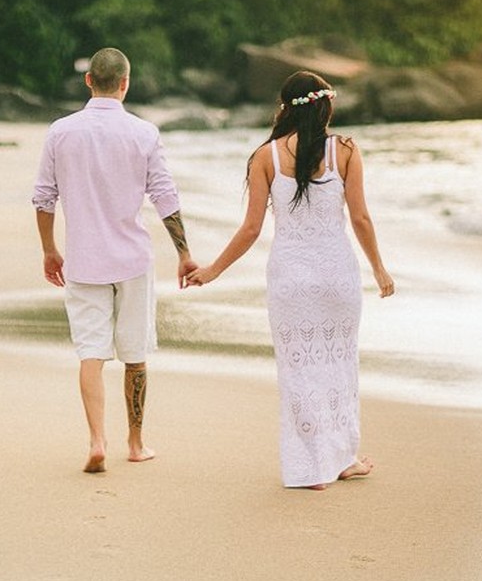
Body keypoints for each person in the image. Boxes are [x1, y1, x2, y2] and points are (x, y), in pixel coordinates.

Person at [186, 70, 394, 490]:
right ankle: (341, 458)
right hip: (338, 275)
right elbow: (360, 218)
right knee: (338, 366)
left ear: (284, 108)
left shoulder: (265, 157)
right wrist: (379, 269)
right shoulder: (347, 151)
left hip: (290, 279)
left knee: (299, 371)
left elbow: (250, 230)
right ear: (325, 105)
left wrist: (211, 271)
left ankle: (312, 468)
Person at [32, 47, 197, 474]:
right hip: (133, 262)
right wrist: (183, 253)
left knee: (91, 352)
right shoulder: (144, 133)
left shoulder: (61, 131)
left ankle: (96, 440)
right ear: (126, 82)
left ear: (88, 80)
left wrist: (50, 249)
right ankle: (137, 443)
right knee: (135, 354)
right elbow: (165, 197)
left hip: (84, 261)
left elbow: (43, 198)